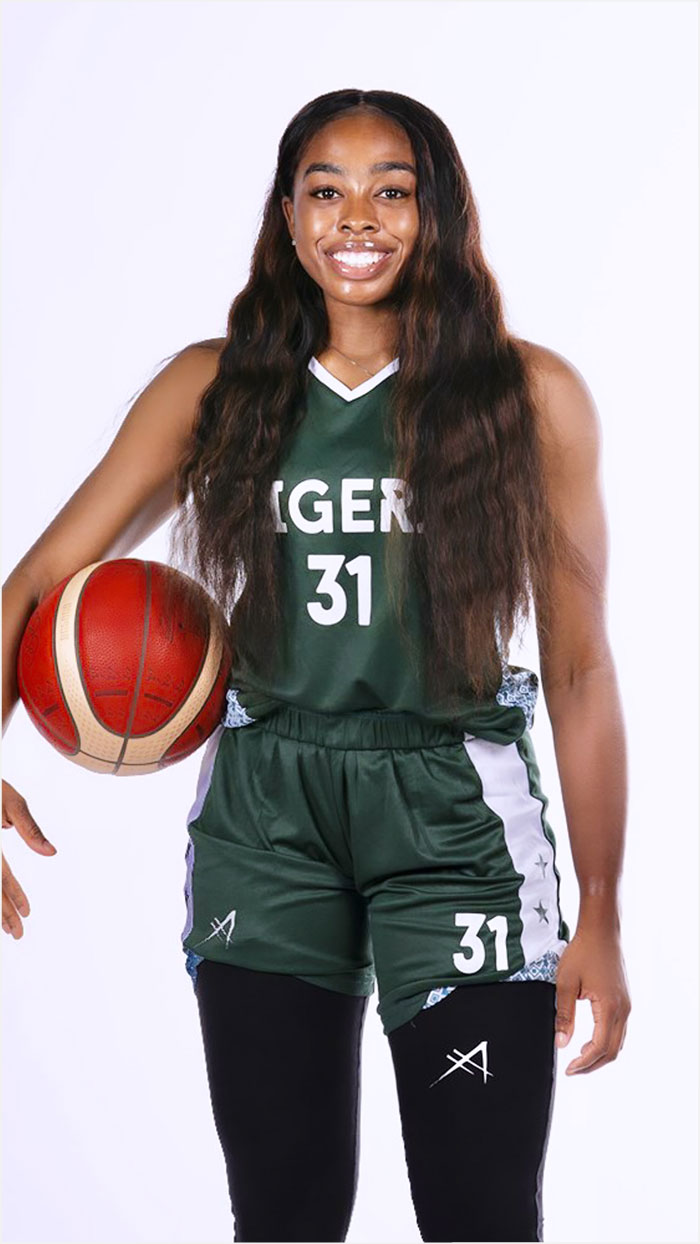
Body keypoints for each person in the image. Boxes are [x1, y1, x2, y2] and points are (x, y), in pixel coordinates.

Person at [2, 88, 631, 1243]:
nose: (360, 217)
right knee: (283, 1216)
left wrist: (599, 908)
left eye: (393, 188)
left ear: (435, 212)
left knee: (482, 1214)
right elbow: (41, 579)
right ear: (286, 218)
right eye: (326, 190)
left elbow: (581, 671)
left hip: (456, 816)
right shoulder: (216, 386)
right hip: (268, 817)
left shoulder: (526, 396)